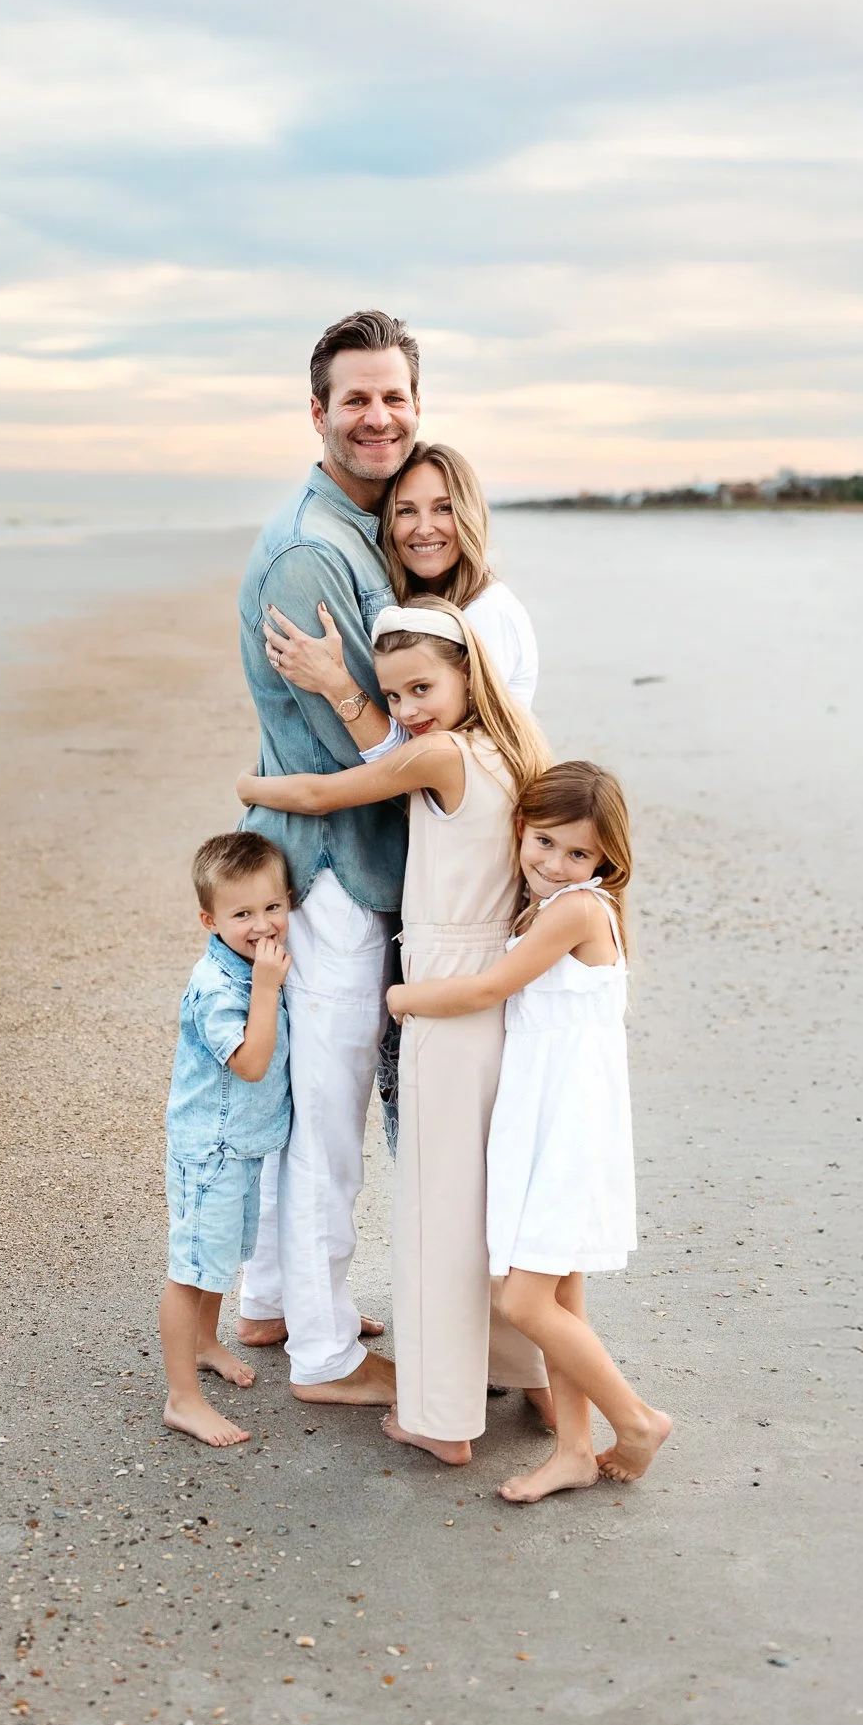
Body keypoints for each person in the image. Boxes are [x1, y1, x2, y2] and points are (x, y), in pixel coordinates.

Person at [238, 596, 554, 1463]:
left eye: (421, 687)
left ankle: (440, 1417)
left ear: (465, 676)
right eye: (396, 694)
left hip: (446, 990)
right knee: (493, 1201)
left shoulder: (441, 754)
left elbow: (320, 791)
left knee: (436, 1209)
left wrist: (248, 789)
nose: (408, 709)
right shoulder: (510, 746)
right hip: (500, 989)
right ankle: (523, 1375)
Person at [387, 762, 673, 1501]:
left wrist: (402, 995)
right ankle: (574, 1450)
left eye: (575, 854)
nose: (552, 862)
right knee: (563, 1293)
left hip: (567, 1127)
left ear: (604, 861)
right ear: (520, 829)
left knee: (521, 1300)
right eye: (543, 841)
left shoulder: (578, 910)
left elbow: (487, 988)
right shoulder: (546, 904)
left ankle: (635, 1419)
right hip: (541, 1118)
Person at [235, 310, 422, 1407]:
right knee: (330, 1123)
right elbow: (381, 748)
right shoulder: (315, 549)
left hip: (319, 860)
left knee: (310, 1110)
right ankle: (324, 1352)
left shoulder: (355, 528)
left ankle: (271, 1297)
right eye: (355, 396)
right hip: (338, 875)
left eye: (393, 394)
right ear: (318, 412)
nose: (377, 414)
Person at [159, 832, 293, 1448]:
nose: (261, 924)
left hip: (241, 1144)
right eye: (242, 914)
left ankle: (208, 1343)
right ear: (210, 920)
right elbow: (249, 1064)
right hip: (210, 1151)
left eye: (273, 907)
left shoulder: (252, 961)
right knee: (191, 1269)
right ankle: (182, 1398)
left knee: (221, 1256)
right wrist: (266, 988)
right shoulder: (222, 986)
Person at [259, 440, 538, 732]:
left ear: (469, 515)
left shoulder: (487, 615)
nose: (425, 528)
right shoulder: (411, 607)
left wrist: (335, 683)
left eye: (443, 508)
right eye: (406, 511)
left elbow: (442, 762)